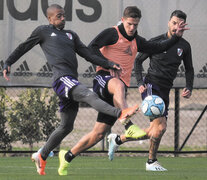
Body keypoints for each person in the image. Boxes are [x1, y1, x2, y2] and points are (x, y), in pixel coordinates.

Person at [3, 4, 140, 176]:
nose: (63, 18)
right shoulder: (43, 31)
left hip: (71, 81)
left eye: (64, 15)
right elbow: (24, 47)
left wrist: (108, 63)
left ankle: (42, 154)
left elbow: (87, 54)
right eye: (59, 16)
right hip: (62, 80)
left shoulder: (71, 35)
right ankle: (120, 113)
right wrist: (8, 62)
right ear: (50, 18)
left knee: (66, 126)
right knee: (87, 93)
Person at [56, 7, 189, 176]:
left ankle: (66, 156)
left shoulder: (137, 41)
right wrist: (108, 63)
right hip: (103, 79)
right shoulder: (112, 33)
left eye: (135, 24)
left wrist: (176, 36)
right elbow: (90, 49)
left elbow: (157, 47)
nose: (132, 28)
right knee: (118, 85)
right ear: (122, 20)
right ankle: (128, 125)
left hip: (117, 93)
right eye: (129, 24)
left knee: (99, 133)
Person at [107, 10, 194, 171]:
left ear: (184, 26)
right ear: (168, 23)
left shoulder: (184, 46)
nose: (176, 27)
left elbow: (189, 69)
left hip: (165, 89)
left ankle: (119, 139)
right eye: (174, 23)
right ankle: (151, 162)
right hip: (151, 86)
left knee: (158, 129)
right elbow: (138, 61)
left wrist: (188, 86)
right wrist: (140, 82)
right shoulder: (156, 42)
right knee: (160, 127)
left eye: (180, 24)